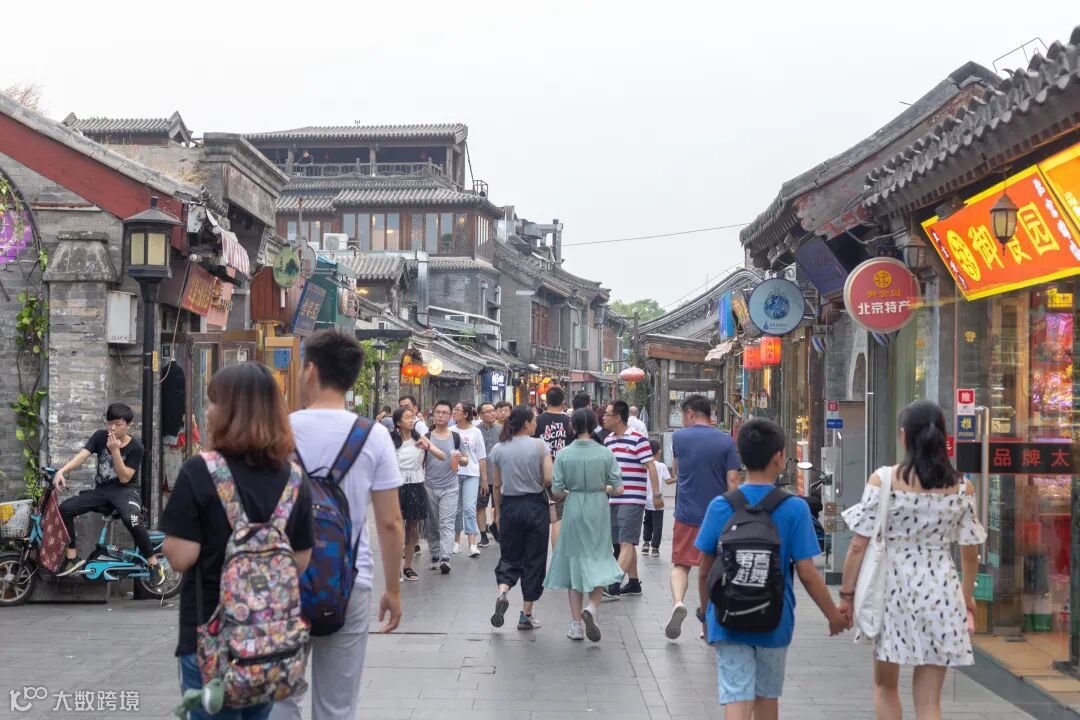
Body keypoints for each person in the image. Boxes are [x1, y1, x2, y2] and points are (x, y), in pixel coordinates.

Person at [161, 364, 315, 720]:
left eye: (214, 402)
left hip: (210, 639)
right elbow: (300, 560)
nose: (208, 410)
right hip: (269, 644)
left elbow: (181, 557)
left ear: (230, 412)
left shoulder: (201, 470)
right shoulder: (294, 479)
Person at [272, 329, 404, 720]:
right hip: (350, 579)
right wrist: (393, 589)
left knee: (278, 695)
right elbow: (391, 522)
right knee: (337, 705)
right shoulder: (374, 436)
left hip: (282, 577)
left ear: (310, 370)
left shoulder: (280, 430)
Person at [838, 401, 986, 720]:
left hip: (892, 592)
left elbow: (858, 546)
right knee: (930, 702)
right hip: (942, 592)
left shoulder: (884, 480)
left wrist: (846, 595)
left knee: (885, 687)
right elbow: (970, 552)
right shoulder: (962, 487)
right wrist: (965, 597)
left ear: (903, 436)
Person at [696, 418, 846, 718]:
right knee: (766, 696)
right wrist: (833, 616)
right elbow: (807, 573)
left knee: (736, 694)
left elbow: (703, 569)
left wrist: (705, 614)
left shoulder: (721, 505)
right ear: (779, 458)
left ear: (741, 457)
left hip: (727, 617)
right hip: (775, 618)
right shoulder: (794, 508)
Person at [54, 403, 163, 584]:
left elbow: (125, 478)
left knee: (132, 520)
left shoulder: (136, 447)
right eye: (109, 423)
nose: (112, 428)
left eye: (117, 424)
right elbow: (82, 456)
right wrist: (61, 471)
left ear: (128, 425)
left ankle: (153, 562)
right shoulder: (100, 436)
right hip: (102, 491)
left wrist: (115, 451)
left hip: (126, 491)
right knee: (65, 508)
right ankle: (71, 557)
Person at [544, 408, 625, 642]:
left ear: (573, 426)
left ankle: (575, 625)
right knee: (599, 556)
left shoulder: (564, 454)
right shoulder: (605, 453)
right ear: (594, 425)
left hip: (574, 506)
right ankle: (592, 607)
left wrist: (573, 490)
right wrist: (604, 488)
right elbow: (619, 488)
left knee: (575, 561)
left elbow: (557, 490)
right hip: (598, 506)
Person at [666, 394, 742, 639]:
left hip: (686, 513)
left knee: (681, 565)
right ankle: (707, 623)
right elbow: (733, 480)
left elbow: (676, 470)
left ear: (689, 413)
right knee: (714, 571)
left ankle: (678, 602)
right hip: (719, 516)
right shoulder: (726, 441)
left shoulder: (679, 438)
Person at [489, 405, 552, 631]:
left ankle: (503, 591)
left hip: (510, 507)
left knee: (509, 555)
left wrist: (497, 512)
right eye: (534, 420)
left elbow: (497, 485)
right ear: (526, 423)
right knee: (534, 559)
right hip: (535, 506)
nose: (536, 424)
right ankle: (526, 615)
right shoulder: (540, 445)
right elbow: (548, 478)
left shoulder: (498, 448)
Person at [602, 400, 661, 600]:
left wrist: (657, 495)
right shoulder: (608, 440)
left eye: (607, 414)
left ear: (617, 418)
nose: (603, 418)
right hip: (614, 498)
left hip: (633, 499)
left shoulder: (638, 439)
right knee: (622, 542)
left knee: (627, 542)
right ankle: (634, 583)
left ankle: (613, 584)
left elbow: (651, 467)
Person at [391, 407, 444, 582]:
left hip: (416, 485)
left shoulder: (420, 438)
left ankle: (408, 567)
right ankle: (395, 568)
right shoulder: (390, 440)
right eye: (407, 418)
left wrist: (427, 447)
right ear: (398, 422)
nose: (411, 420)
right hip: (396, 486)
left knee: (412, 528)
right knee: (396, 528)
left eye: (412, 417)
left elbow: (442, 456)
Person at [533, 386, 574, 548]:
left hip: (540, 471)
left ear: (546, 401)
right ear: (563, 401)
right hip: (564, 472)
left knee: (542, 514)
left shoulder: (537, 421)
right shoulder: (569, 421)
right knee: (559, 516)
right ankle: (557, 553)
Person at [424, 401, 462, 574]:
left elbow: (466, 459)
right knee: (431, 523)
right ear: (433, 415)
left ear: (450, 416)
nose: (440, 415)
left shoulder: (455, 437)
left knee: (447, 522)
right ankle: (434, 554)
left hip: (450, 486)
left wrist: (460, 458)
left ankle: (445, 557)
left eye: (444, 412)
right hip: (429, 486)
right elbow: (420, 461)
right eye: (437, 412)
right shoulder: (426, 436)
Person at [452, 402, 488, 558]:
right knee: (456, 509)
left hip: (472, 474)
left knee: (469, 508)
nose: (454, 412)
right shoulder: (451, 431)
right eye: (454, 409)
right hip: (454, 474)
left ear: (466, 414)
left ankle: (472, 543)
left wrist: (484, 480)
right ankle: (456, 541)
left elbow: (481, 457)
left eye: (457, 410)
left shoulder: (476, 432)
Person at [475, 402, 502, 547]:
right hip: (481, 476)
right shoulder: (476, 431)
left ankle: (496, 527)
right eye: (488, 411)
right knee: (480, 505)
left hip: (499, 475)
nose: (492, 413)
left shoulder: (502, 430)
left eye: (493, 410)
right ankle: (483, 535)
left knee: (498, 505)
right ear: (480, 415)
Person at [641, 438, 673, 558]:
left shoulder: (644, 465)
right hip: (658, 500)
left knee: (647, 522)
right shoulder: (661, 466)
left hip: (646, 500)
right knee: (657, 525)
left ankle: (646, 543)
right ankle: (655, 548)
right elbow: (668, 481)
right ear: (658, 452)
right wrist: (679, 478)